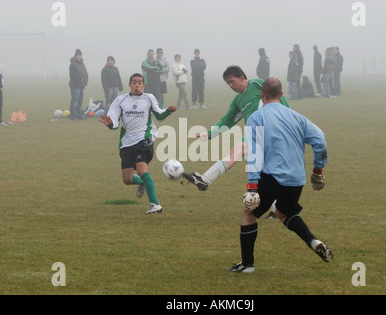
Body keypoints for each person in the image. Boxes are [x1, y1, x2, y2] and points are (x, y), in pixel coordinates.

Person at [229, 78, 332, 273]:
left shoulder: (257, 117)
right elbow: (320, 140)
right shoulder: (297, 116)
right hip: (296, 179)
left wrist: (252, 187)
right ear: (282, 95)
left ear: (262, 95)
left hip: (272, 176)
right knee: (284, 212)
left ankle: (247, 265)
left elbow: (255, 153)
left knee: (248, 213)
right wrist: (318, 171)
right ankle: (313, 241)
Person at [182, 66, 290, 191]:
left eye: (232, 81)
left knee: (240, 152)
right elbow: (227, 120)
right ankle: (276, 208)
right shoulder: (238, 100)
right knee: (259, 172)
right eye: (228, 83)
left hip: (271, 128)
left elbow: (279, 98)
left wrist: (289, 120)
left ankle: (205, 180)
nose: (231, 86)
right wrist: (209, 134)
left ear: (242, 77)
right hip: (256, 133)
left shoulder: (257, 84)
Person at [99, 73, 177, 214]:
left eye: (140, 82)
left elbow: (159, 115)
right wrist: (110, 124)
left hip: (144, 139)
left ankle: (155, 204)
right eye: (134, 82)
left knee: (141, 170)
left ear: (143, 85)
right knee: (127, 179)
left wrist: (168, 111)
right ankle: (142, 183)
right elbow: (114, 122)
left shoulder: (149, 98)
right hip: (127, 142)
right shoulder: (120, 100)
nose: (137, 85)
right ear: (129, 84)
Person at [69, 49, 88, 120]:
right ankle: (73, 115)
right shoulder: (72, 65)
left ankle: (79, 114)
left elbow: (85, 73)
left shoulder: (82, 64)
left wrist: (86, 80)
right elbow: (73, 76)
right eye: (78, 55)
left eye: (80, 55)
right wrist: (80, 81)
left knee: (80, 100)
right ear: (75, 56)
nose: (79, 56)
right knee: (75, 100)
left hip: (82, 85)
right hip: (75, 86)